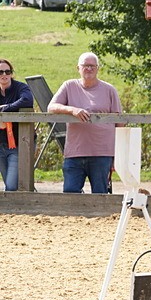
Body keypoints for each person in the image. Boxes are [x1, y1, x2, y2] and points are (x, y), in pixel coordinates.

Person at [47, 52, 124, 194]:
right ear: (78, 68)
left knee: (100, 193)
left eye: (92, 66)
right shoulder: (69, 86)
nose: (88, 69)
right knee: (70, 192)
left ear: (97, 68)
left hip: (102, 153)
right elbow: (51, 107)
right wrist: (72, 110)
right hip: (74, 152)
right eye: (85, 66)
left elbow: (120, 123)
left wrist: (117, 155)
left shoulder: (109, 90)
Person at [0, 58, 34, 192]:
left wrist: (5, 108)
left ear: (11, 73)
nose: (4, 75)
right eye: (0, 72)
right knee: (8, 182)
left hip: (18, 144)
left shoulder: (21, 87)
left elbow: (27, 100)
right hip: (0, 144)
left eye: (7, 71)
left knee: (11, 185)